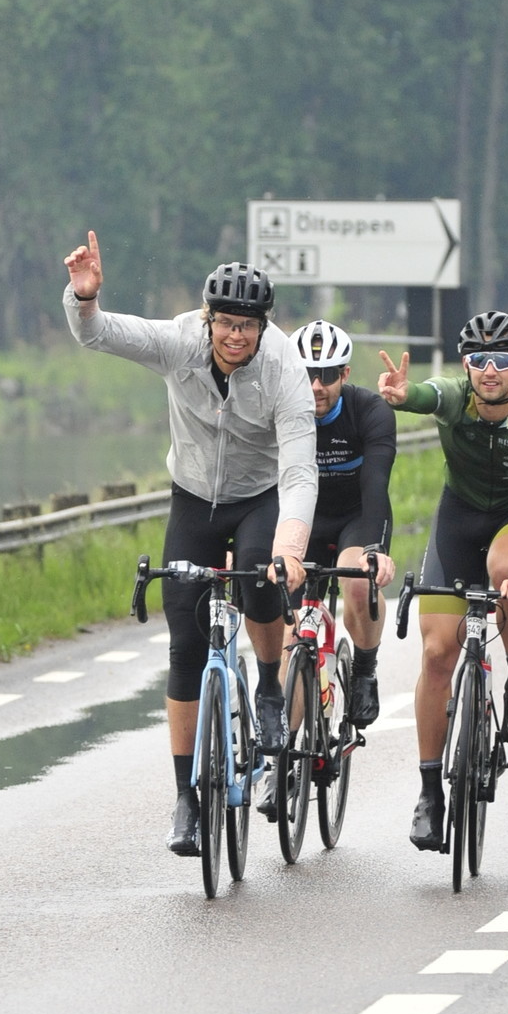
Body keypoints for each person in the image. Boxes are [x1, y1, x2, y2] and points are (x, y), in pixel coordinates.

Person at [63, 232, 316, 857]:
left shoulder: (285, 367)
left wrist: (289, 549)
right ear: (208, 319)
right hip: (194, 497)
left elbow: (299, 472)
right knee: (184, 640)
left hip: (258, 497)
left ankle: (268, 684)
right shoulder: (179, 341)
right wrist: (84, 299)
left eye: (247, 326)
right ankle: (185, 798)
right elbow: (101, 334)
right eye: (225, 323)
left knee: (260, 579)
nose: (235, 336)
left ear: (263, 327)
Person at [377, 311, 508, 853]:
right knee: (437, 654)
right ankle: (429, 792)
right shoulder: (455, 395)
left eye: (502, 360)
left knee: (506, 572)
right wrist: (403, 395)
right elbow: (427, 395)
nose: (489, 370)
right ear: (466, 364)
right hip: (458, 519)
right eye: (479, 359)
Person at [291, 320, 397, 729]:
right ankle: (284, 755)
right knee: (288, 637)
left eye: (327, 375)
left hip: (356, 517)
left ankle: (365, 669)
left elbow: (376, 485)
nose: (316, 386)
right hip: (303, 521)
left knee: (357, 582)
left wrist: (375, 551)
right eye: (306, 375)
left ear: (345, 374)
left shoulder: (369, 411)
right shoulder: (281, 412)